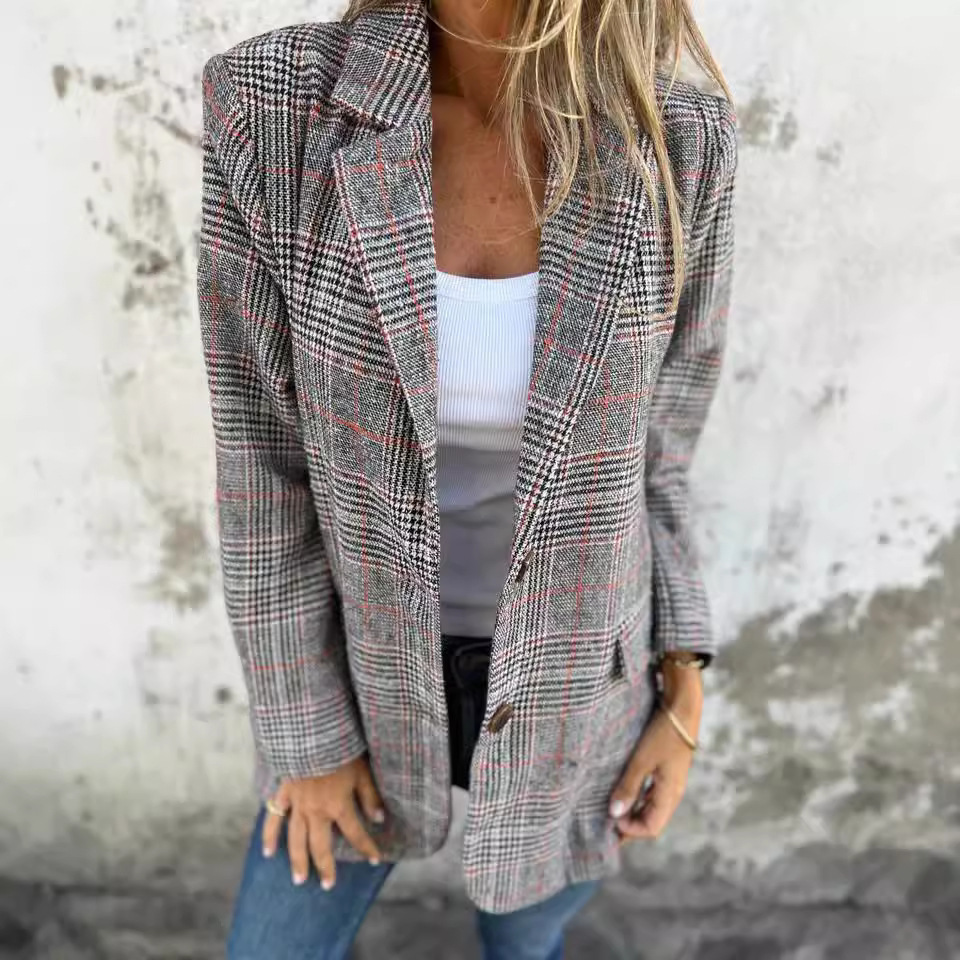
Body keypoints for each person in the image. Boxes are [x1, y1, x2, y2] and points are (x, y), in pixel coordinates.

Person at [196, 0, 738, 956]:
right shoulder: (273, 108)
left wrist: (682, 681)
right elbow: (261, 461)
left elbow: (665, 450)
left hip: (581, 688)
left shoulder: (679, 140)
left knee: (524, 946)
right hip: (357, 670)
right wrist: (306, 737)